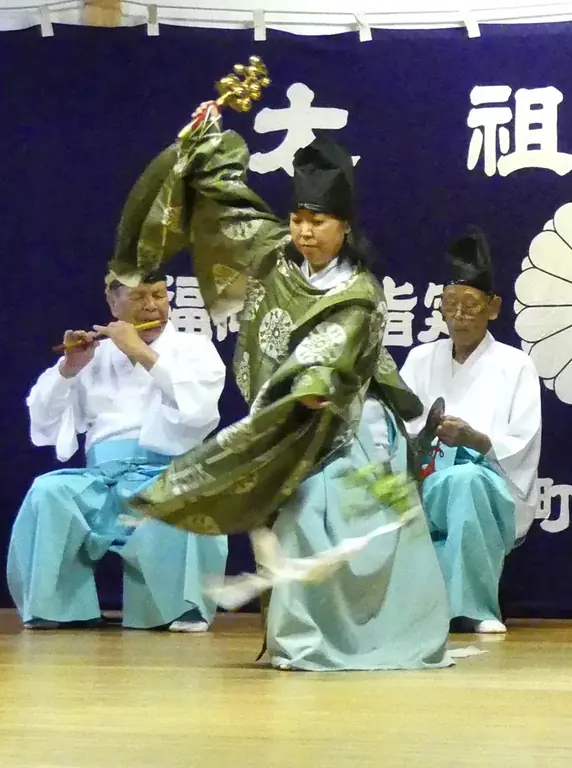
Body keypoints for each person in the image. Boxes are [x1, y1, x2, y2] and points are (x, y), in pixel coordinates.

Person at [104, 100, 453, 671]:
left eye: (318, 221)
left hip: (351, 430)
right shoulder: (275, 257)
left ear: (345, 227)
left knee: (320, 510)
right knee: (287, 510)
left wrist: (306, 390)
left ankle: (346, 639)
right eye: (298, 218)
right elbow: (227, 201)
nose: (305, 230)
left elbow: (327, 357)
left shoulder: (359, 293)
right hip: (289, 420)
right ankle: (296, 640)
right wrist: (205, 138)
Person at [7, 274, 229, 632]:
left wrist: (141, 352)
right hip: (102, 478)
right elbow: (43, 420)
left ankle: (178, 609)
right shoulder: (95, 353)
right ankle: (56, 607)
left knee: (191, 494)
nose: (152, 305)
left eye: (159, 295)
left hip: (166, 471)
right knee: (49, 492)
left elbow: (200, 412)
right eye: (139, 297)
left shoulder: (194, 347)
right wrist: (69, 368)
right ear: (113, 305)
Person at [400, 227, 542, 634]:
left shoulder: (515, 365)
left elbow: (522, 443)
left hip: (491, 486)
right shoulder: (420, 359)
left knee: (465, 479)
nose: (460, 316)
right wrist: (426, 435)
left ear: (493, 308)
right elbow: (397, 426)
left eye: (471, 306)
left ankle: (473, 607)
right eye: (451, 305)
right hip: (426, 482)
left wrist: (474, 440)